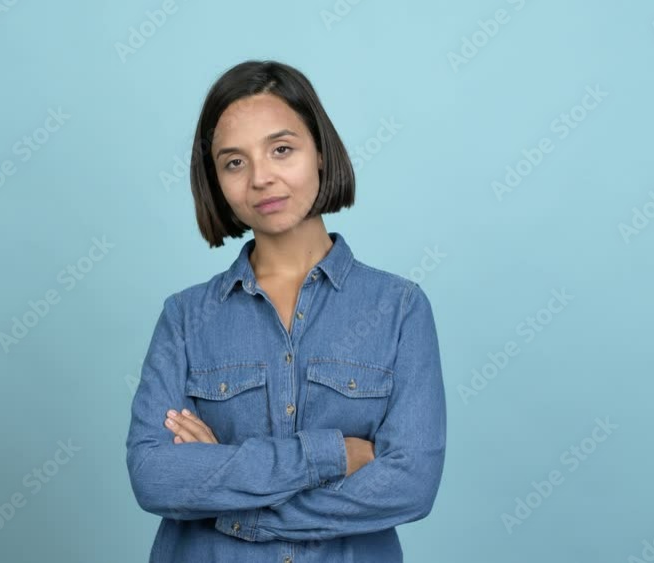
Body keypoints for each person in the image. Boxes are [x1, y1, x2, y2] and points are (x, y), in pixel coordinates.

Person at [125, 60, 446, 563]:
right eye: (234, 162)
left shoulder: (399, 308)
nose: (261, 179)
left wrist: (229, 501)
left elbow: (410, 485)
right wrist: (333, 454)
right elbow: (155, 478)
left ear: (320, 151)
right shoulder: (185, 318)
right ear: (215, 180)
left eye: (281, 149)